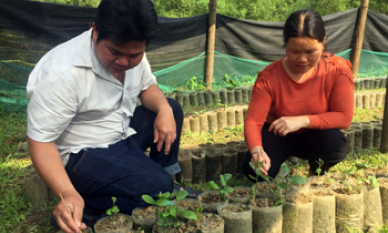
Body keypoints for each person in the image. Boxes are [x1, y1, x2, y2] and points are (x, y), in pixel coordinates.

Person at [26, 0, 183, 232]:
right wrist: (67, 193)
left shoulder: (131, 49)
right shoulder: (62, 73)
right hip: (82, 153)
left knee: (172, 109)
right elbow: (40, 142)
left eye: (134, 55)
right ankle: (87, 204)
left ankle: (167, 184)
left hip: (121, 134)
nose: (123, 62)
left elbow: (147, 87)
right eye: (114, 52)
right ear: (95, 31)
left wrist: (164, 109)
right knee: (158, 188)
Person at [243, 9, 354, 181]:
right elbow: (253, 121)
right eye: (294, 51)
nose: (302, 59)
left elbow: (344, 117)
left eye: (310, 52)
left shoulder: (337, 70)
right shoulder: (269, 77)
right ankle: (279, 168)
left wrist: (303, 120)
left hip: (314, 134)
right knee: (254, 172)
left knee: (334, 144)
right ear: (285, 45)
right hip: (278, 133)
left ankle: (316, 171)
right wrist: (257, 150)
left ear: (323, 43)